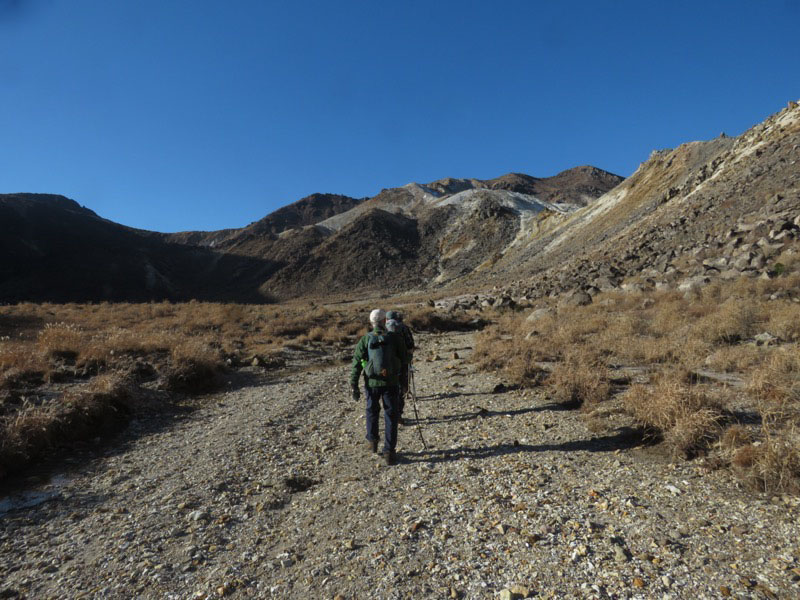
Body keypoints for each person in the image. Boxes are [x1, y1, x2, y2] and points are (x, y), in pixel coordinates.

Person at [350, 308, 408, 465]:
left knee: (372, 411)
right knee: (391, 415)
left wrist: (353, 384)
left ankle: (373, 442)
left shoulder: (366, 339)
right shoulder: (395, 338)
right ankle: (389, 452)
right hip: (391, 383)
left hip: (372, 383)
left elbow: (356, 363)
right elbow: (404, 361)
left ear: (371, 322)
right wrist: (404, 383)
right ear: (384, 321)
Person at [386, 310, 415, 422]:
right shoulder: (403, 327)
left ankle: (390, 413)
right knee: (401, 387)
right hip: (402, 362)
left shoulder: (382, 328)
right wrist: (409, 356)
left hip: (387, 363)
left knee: (390, 388)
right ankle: (398, 413)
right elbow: (410, 345)